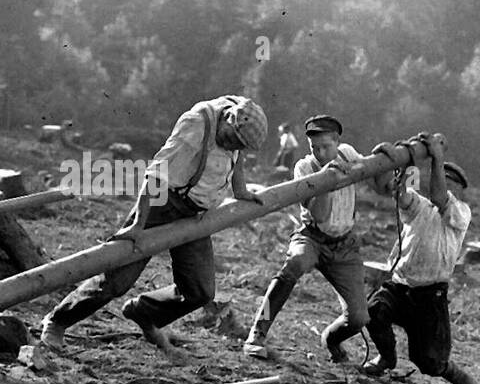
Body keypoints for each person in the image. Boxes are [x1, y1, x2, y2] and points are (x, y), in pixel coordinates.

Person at [39, 95, 268, 357]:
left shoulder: (237, 123)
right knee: (117, 280)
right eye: (230, 139)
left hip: (195, 215)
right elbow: (156, 173)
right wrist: (139, 224)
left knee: (200, 291)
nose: (231, 146)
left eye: (238, 146)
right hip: (162, 203)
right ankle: (57, 321)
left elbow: (237, 157)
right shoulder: (196, 125)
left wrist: (241, 190)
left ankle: (143, 312)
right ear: (229, 119)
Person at [243, 114, 370, 361]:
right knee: (294, 265)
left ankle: (331, 342)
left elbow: (374, 175)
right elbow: (320, 214)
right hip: (312, 237)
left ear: (337, 141)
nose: (321, 152)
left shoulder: (348, 154)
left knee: (358, 318)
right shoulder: (304, 167)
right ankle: (257, 332)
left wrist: (385, 156)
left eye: (326, 146)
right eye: (315, 147)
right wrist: (327, 178)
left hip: (344, 245)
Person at [361, 132, 478, 384]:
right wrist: (390, 160)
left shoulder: (460, 213)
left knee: (428, 361)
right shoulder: (419, 205)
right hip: (401, 285)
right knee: (373, 312)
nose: (445, 184)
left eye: (451, 182)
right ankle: (387, 358)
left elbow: (440, 196)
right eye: (442, 177)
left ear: (459, 190)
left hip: (430, 295)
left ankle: (448, 371)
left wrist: (437, 158)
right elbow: (393, 190)